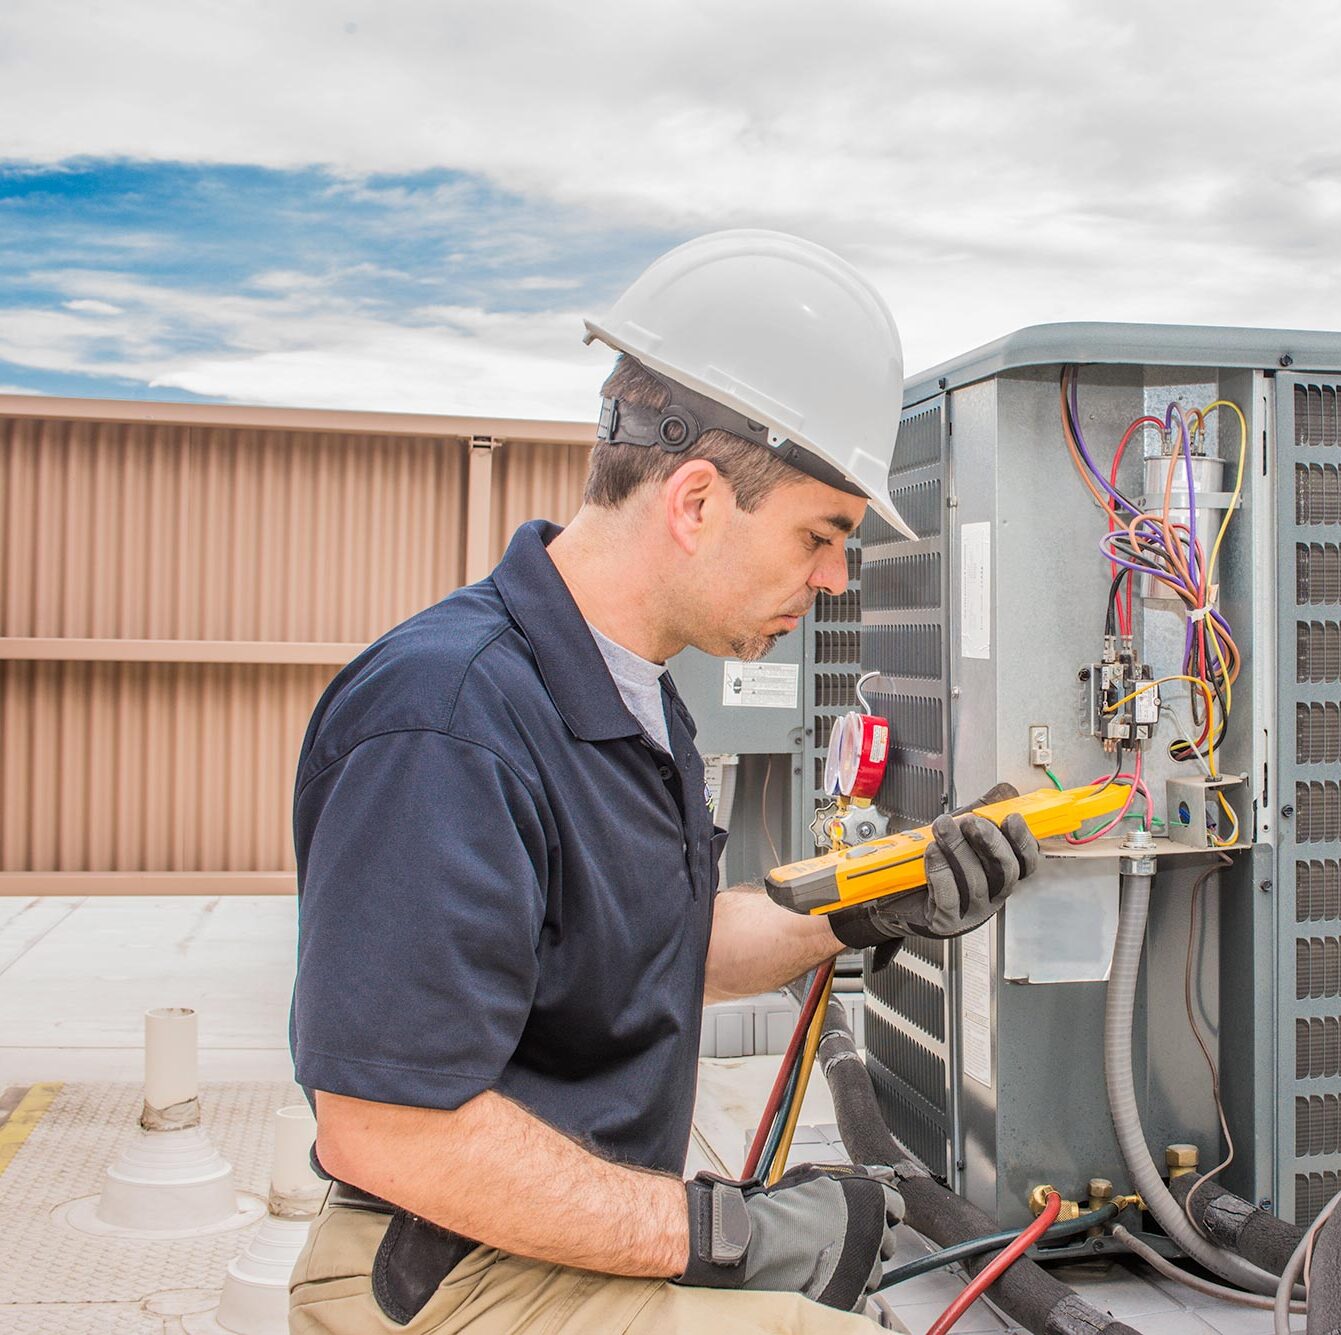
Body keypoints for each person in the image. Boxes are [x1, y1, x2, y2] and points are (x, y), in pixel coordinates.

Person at [286, 231, 1042, 1333]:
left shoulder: (624, 697)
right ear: (694, 501)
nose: (833, 580)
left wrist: (876, 899)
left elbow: (662, 954)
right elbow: (389, 1128)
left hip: (545, 1241)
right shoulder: (446, 723)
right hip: (445, 1273)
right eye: (821, 536)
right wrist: (719, 1234)